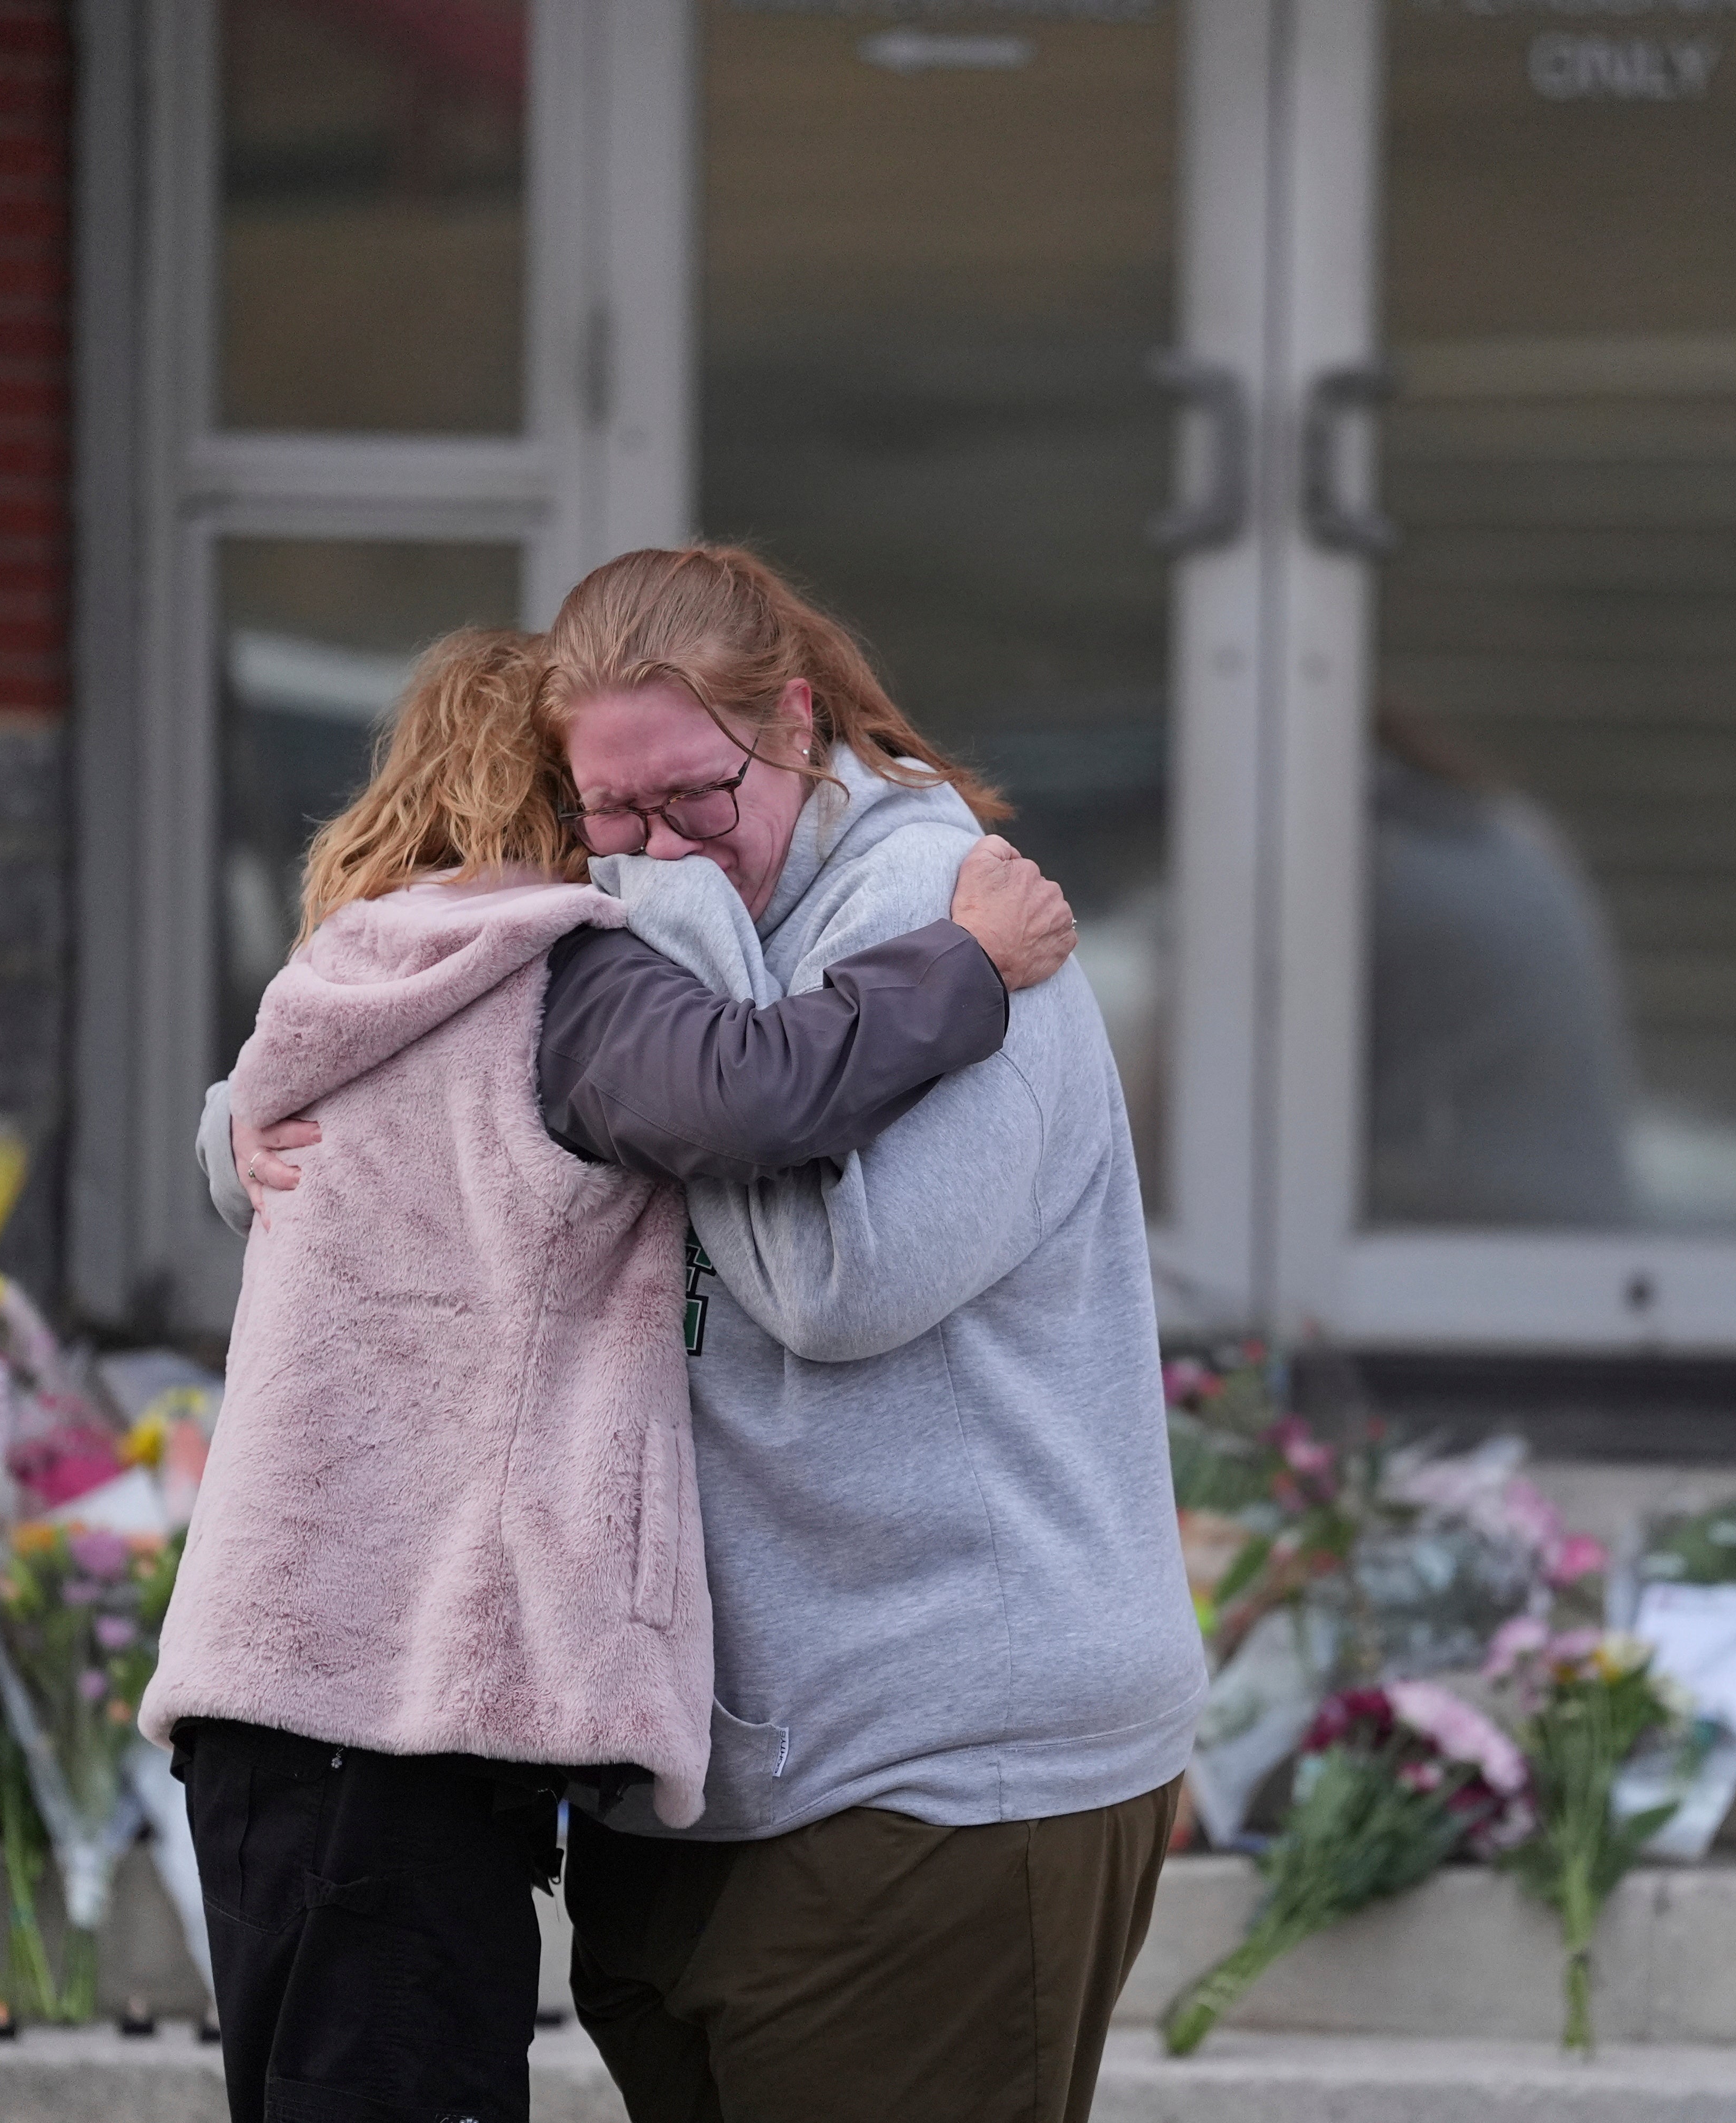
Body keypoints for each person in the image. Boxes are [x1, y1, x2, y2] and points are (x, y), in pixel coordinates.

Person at [148, 626, 1082, 2123]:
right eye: (616, 804)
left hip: (290, 1693)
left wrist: (223, 1131)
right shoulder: (558, 980)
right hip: (387, 1714)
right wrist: (968, 960)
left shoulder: (358, 970)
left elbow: (251, 1125)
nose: (653, 846)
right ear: (555, 794)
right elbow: (763, 1090)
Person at [356, 544, 1203, 2123]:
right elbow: (392, 1038)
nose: (658, 852)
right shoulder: (619, 903)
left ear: (795, 725)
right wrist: (237, 1130)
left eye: (697, 799)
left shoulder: (951, 917)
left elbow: (840, 1286)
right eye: (612, 812)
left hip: (943, 1757)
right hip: (709, 1779)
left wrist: (688, 965)